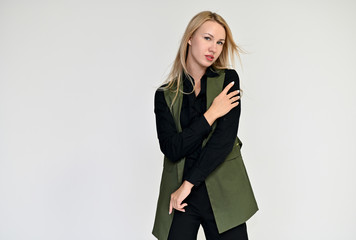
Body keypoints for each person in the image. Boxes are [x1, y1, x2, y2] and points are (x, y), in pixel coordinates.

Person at [152, 11, 258, 240]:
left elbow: (223, 141)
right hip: (179, 197)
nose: (214, 48)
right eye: (207, 38)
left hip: (222, 191)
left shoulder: (228, 80)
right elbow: (172, 148)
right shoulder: (165, 95)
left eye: (220, 42)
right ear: (190, 38)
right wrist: (211, 115)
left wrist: (189, 184)